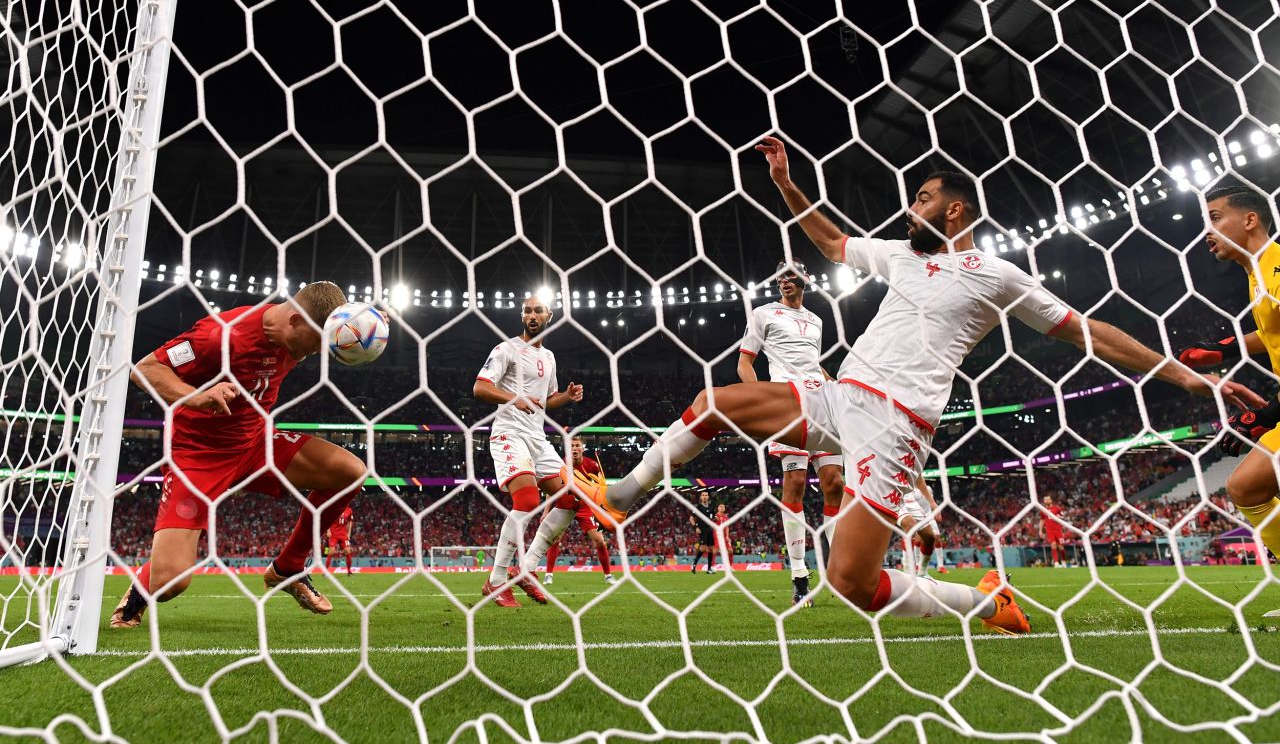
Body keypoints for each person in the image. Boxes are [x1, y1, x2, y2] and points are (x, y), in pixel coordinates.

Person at [579, 136, 1263, 634]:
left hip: (897, 421)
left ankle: (985, 602)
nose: (912, 208)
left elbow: (1093, 332)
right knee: (714, 404)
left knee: (852, 583)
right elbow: (831, 242)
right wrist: (787, 182)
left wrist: (1189, 378)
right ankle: (619, 493)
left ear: (957, 211)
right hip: (838, 396)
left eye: (925, 198)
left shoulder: (998, 276)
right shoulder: (902, 256)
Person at [111, 283, 365, 628]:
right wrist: (197, 396)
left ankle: (288, 567)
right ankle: (133, 601)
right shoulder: (220, 336)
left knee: (350, 470)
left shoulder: (296, 339)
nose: (320, 352)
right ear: (295, 321)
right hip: (200, 457)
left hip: (257, 446)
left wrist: (366, 328)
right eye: (318, 341)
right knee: (171, 581)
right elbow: (146, 369)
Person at [1177, 184, 1280, 616]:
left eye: (1215, 218)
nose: (1207, 230)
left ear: (1250, 220)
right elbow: (1272, 332)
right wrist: (1224, 349)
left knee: (1248, 483)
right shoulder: (1258, 272)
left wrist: (1267, 414)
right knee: (1247, 485)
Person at [737, 259, 844, 605]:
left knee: (835, 483)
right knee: (795, 483)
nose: (784, 280)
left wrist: (835, 385)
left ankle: (840, 570)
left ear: (804, 279)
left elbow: (811, 362)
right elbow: (744, 363)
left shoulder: (816, 320)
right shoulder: (763, 314)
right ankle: (799, 575)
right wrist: (759, 402)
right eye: (780, 275)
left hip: (822, 402)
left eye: (791, 275)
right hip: (787, 403)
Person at [473, 292, 584, 608]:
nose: (532, 315)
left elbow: (546, 402)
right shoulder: (506, 349)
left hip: (537, 438)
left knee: (569, 499)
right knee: (527, 500)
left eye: (538, 311)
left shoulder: (549, 357)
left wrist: (567, 395)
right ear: (522, 317)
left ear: (549, 316)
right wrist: (513, 398)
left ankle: (526, 570)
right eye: (527, 311)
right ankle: (496, 581)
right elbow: (480, 387)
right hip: (509, 434)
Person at [543, 437, 616, 586]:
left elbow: (601, 490)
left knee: (600, 541)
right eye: (571, 446)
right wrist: (546, 511)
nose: (574, 448)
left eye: (577, 445)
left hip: (584, 506)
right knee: (554, 539)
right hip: (564, 504)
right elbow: (551, 489)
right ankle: (548, 574)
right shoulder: (560, 465)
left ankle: (608, 575)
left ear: (582, 449)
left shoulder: (593, 465)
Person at [899, 478, 940, 577]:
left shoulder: (915, 468)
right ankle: (907, 571)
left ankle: (922, 572)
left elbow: (918, 476)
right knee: (910, 527)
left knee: (930, 537)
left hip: (910, 499)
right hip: (892, 494)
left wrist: (932, 503)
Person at [689, 492, 716, 573]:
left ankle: (709, 568)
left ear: (708, 497)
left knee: (711, 549)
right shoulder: (698, 507)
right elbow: (691, 518)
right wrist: (695, 527)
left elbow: (713, 517)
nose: (704, 497)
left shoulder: (711, 507)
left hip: (710, 529)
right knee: (703, 548)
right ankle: (694, 564)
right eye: (703, 495)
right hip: (702, 529)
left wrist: (716, 518)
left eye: (706, 495)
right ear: (701, 498)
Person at [325, 505, 355, 575]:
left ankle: (349, 572)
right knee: (331, 552)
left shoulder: (349, 510)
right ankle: (326, 572)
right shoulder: (334, 508)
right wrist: (328, 530)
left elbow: (350, 521)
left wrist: (349, 533)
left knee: (348, 551)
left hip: (343, 535)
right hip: (334, 534)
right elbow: (328, 519)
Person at [1041, 495, 1065, 568]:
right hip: (1049, 531)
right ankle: (1056, 562)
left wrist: (1059, 517)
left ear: (1051, 500)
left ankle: (1063, 561)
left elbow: (1063, 516)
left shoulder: (1057, 508)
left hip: (1058, 530)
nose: (1047, 501)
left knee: (1061, 547)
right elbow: (1042, 520)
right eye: (1045, 500)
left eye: (1048, 499)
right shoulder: (1042, 510)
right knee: (1053, 545)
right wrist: (1040, 530)